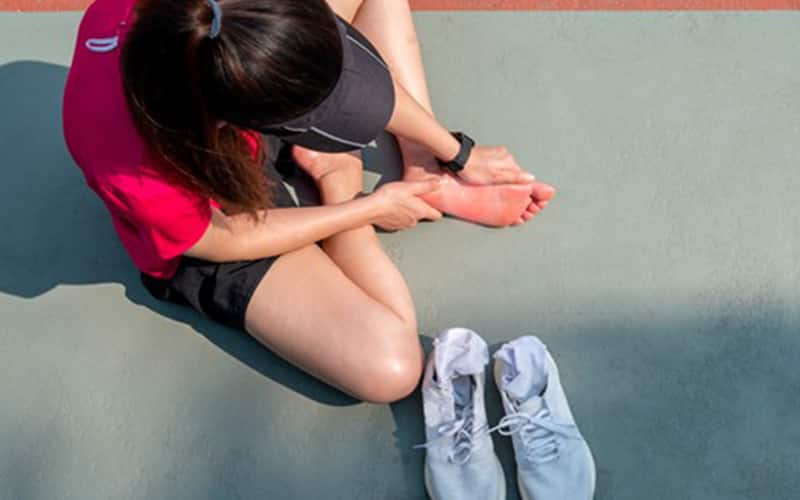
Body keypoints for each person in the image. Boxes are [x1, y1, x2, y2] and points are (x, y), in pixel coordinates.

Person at [62, 0, 556, 403]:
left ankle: (422, 167)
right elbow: (211, 239)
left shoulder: (221, 20)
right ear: (245, 122)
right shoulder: (126, 157)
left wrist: (452, 151)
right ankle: (332, 172)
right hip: (218, 214)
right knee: (393, 367)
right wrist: (362, 205)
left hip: (235, 91)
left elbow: (347, 78)